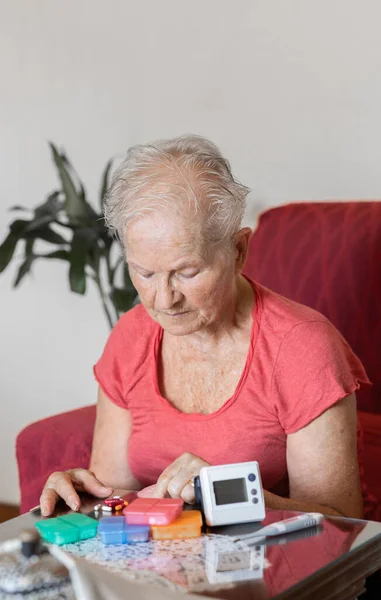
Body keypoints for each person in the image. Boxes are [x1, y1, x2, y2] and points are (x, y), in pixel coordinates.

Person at [40, 135, 370, 519]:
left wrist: (226, 493)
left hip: (273, 569)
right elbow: (119, 500)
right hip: (157, 567)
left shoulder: (302, 347)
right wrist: (85, 496)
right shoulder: (131, 337)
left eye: (187, 272)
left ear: (239, 251)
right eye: (144, 272)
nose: (163, 300)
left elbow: (342, 526)